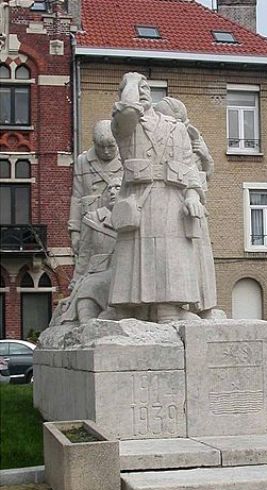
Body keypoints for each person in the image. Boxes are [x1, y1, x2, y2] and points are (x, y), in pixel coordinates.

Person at [109, 72, 213, 323]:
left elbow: (188, 167)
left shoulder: (175, 128)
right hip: (139, 198)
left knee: (172, 255)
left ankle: (168, 308)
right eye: (134, 87)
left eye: (145, 86)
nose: (141, 90)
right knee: (136, 258)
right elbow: (128, 112)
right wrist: (130, 83)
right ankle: (134, 310)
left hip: (172, 199)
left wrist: (191, 196)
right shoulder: (125, 126)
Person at [154, 97, 217, 316]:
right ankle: (178, 307)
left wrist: (206, 156)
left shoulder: (194, 137)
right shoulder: (159, 141)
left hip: (195, 205)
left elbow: (206, 174)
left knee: (200, 257)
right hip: (171, 206)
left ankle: (203, 306)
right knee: (176, 258)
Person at [59, 181, 120, 324]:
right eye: (109, 188)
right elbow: (84, 255)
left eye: (117, 187)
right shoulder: (92, 219)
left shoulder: (134, 218)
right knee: (88, 286)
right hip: (97, 271)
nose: (112, 191)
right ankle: (87, 324)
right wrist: (75, 281)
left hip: (123, 273)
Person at [68, 120, 122, 258]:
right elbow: (77, 197)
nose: (106, 151)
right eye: (101, 146)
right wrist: (75, 231)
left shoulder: (126, 158)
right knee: (85, 266)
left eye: (110, 146)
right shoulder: (83, 161)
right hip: (90, 225)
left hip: (117, 223)